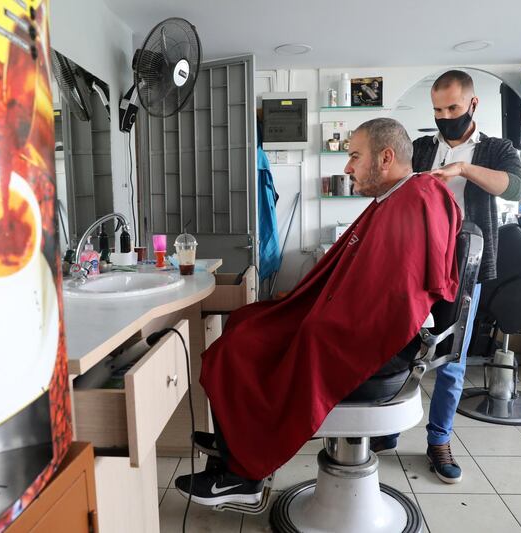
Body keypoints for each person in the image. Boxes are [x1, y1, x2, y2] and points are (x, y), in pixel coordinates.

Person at [174, 118, 463, 505]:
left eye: (355, 157)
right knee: (246, 321)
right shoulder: (398, 197)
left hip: (387, 343)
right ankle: (238, 440)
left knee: (241, 347)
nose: (347, 168)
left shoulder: (416, 198)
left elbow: (395, 297)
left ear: (386, 157)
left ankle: (243, 472)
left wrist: (316, 320)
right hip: (373, 326)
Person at [371, 70, 521, 485]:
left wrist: (463, 168)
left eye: (453, 108)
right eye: (437, 110)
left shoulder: (496, 149)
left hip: (465, 268)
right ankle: (386, 426)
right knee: (399, 344)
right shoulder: (421, 149)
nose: (444, 116)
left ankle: (439, 439)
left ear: (472, 105)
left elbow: (515, 189)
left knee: (451, 359)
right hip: (414, 268)